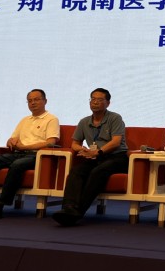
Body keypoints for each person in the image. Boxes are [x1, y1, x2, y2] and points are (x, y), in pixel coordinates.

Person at [0, 89, 60, 220]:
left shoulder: (51, 119)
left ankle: (0, 204)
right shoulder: (25, 120)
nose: (33, 103)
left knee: (17, 165)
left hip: (36, 155)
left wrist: (25, 147)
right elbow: (13, 138)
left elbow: (51, 142)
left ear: (45, 101)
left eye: (36, 99)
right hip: (18, 153)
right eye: (30, 101)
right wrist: (11, 141)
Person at [52, 87, 128, 226]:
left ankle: (77, 212)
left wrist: (98, 152)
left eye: (99, 100)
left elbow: (116, 142)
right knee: (76, 171)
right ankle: (68, 208)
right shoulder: (84, 122)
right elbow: (74, 143)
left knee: (97, 171)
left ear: (108, 103)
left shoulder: (115, 118)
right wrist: (82, 149)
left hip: (117, 157)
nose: (95, 102)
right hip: (96, 158)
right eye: (93, 99)